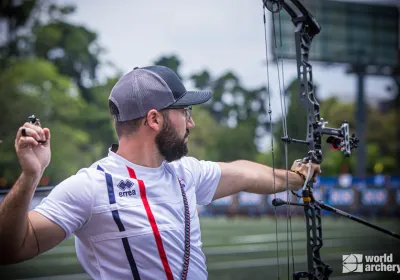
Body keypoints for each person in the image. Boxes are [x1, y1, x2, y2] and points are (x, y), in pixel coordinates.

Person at [0, 65, 321, 279]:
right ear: (154, 119)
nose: (191, 123)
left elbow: (244, 173)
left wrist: (295, 178)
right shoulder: (90, 186)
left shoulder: (185, 172)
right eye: (185, 112)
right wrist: (31, 175)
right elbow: (10, 248)